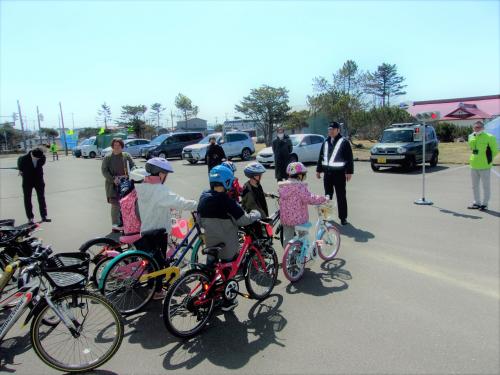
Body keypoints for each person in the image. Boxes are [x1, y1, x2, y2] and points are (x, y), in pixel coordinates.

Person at [130, 158, 198, 299]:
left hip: (147, 228)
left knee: (152, 262)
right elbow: (181, 202)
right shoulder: (159, 190)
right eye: (165, 173)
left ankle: (152, 287)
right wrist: (200, 204)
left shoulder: (143, 185)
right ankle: (156, 292)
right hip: (159, 231)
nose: (166, 177)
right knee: (159, 265)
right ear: (160, 174)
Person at [197, 164, 261, 311]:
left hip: (210, 242)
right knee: (229, 269)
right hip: (226, 245)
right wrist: (255, 215)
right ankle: (228, 301)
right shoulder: (227, 201)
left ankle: (206, 294)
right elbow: (243, 220)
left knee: (209, 270)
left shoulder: (204, 196)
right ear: (227, 182)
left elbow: (199, 218)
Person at [278, 162, 328, 246]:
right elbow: (310, 198)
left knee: (287, 237)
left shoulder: (283, 186)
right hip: (299, 219)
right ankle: (303, 253)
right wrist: (323, 199)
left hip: (286, 218)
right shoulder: (300, 187)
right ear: (299, 175)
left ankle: (288, 255)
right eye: (303, 174)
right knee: (303, 236)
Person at [316, 121, 353, 225]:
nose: (330, 131)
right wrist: (318, 170)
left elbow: (349, 158)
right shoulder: (326, 141)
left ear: (338, 130)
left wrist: (349, 172)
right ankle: (326, 216)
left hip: (339, 174)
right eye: (329, 129)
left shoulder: (344, 142)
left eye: (332, 129)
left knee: (341, 196)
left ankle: (343, 218)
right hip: (328, 174)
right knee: (327, 196)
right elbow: (321, 157)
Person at [101, 138, 135, 230]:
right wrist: (113, 179)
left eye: (119, 145)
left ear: (122, 146)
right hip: (113, 185)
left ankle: (126, 224)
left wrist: (134, 174)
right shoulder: (108, 157)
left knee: (127, 204)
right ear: (112, 146)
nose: (117, 147)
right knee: (115, 205)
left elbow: (133, 166)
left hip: (126, 183)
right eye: (115, 145)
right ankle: (115, 226)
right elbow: (104, 171)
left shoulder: (126, 155)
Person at [467, 121, 498, 211]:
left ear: (483, 128)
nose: (477, 129)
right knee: (474, 186)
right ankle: (476, 202)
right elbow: (472, 148)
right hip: (474, 164)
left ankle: (485, 204)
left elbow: (495, 151)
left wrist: (487, 159)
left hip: (484, 165)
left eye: (479, 127)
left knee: (486, 186)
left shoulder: (489, 137)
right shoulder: (471, 136)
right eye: (475, 127)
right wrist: (473, 138)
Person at [17, 147, 51, 223]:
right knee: (27, 199)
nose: (39, 159)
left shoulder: (42, 157)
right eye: (37, 158)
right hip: (27, 181)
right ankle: (30, 218)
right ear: (32, 155)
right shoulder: (23, 158)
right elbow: (20, 167)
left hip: (39, 180)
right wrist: (21, 171)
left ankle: (44, 216)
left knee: (41, 198)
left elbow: (41, 164)